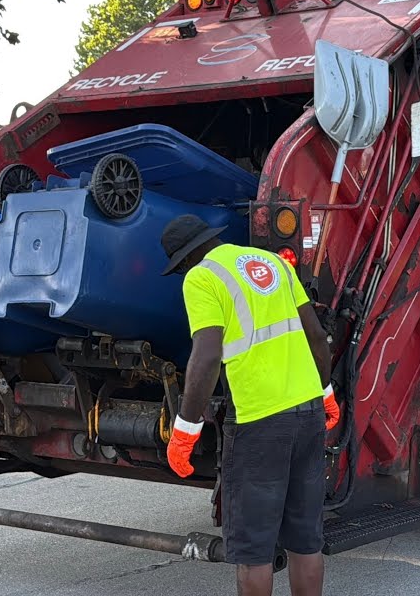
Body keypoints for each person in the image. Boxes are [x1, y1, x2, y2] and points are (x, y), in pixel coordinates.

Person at [160, 214, 338, 596]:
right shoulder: (274, 262)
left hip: (260, 423)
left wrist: (185, 430)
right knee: (306, 540)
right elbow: (317, 337)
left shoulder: (202, 277)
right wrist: (325, 393)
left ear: (187, 259)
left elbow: (206, 358)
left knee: (254, 551)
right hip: (307, 414)